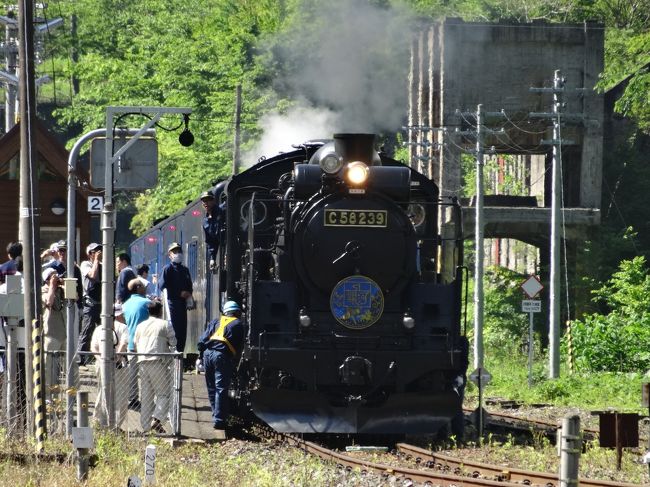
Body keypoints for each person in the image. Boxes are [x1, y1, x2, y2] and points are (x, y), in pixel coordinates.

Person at [197, 300, 245, 431]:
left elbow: (202, 340)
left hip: (208, 354)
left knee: (211, 387)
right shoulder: (238, 324)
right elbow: (239, 347)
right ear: (237, 313)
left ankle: (216, 416)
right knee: (221, 388)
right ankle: (219, 420)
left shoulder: (215, 322)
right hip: (221, 356)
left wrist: (200, 356)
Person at [133, 301, 176, 434]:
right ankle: (157, 420)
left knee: (146, 396)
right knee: (164, 393)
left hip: (142, 361)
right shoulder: (165, 324)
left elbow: (135, 343)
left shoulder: (140, 326)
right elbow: (174, 342)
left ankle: (145, 427)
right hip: (158, 361)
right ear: (160, 311)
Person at [91, 303, 129, 427]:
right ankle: (116, 425)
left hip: (101, 364)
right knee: (121, 395)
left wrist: (101, 359)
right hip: (118, 365)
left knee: (102, 392)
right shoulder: (123, 327)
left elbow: (93, 347)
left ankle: (98, 422)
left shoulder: (99, 328)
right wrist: (117, 358)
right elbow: (123, 344)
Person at [159, 243, 193, 359]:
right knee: (173, 332)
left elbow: (189, 286)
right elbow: (162, 287)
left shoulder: (185, 270)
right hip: (172, 305)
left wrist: (189, 295)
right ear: (170, 255)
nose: (178, 253)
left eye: (179, 251)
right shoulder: (167, 269)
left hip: (182, 306)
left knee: (182, 333)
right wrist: (178, 293)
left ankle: (179, 358)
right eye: (175, 251)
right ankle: (172, 359)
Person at [123, 278, 152, 408]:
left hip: (130, 343)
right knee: (148, 373)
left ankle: (132, 398)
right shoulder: (147, 303)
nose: (145, 288)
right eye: (144, 286)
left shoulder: (125, 304)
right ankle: (149, 398)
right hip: (146, 344)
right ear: (139, 287)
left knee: (132, 372)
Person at [42, 267, 65, 398]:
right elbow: (49, 302)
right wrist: (52, 286)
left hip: (64, 333)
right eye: (53, 277)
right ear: (47, 279)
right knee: (49, 370)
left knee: (70, 369)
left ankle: (68, 399)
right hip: (50, 334)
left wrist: (65, 285)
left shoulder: (61, 291)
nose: (56, 279)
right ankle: (47, 399)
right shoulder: (43, 291)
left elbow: (76, 297)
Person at [79, 243, 102, 365]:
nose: (98, 253)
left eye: (99, 251)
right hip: (90, 303)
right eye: (95, 252)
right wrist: (96, 261)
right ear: (89, 254)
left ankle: (104, 356)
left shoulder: (103, 266)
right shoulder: (85, 264)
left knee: (104, 330)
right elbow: (93, 276)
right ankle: (80, 359)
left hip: (101, 303)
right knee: (87, 330)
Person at [201, 188, 225, 271]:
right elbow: (211, 242)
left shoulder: (223, 210)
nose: (206, 203)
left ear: (213, 201)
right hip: (222, 250)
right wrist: (212, 258)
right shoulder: (205, 222)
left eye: (208, 200)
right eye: (204, 201)